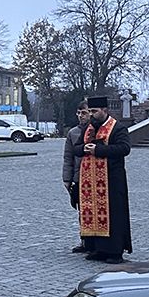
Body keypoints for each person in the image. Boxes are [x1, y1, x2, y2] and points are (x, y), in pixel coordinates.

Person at [74, 96, 132, 264]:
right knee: (93, 213)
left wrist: (98, 150)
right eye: (90, 111)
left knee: (114, 214)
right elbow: (76, 148)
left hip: (112, 179)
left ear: (105, 111)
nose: (91, 114)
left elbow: (124, 148)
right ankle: (98, 249)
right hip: (89, 181)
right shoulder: (88, 128)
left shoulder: (117, 128)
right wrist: (85, 148)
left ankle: (114, 251)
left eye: (94, 111)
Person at [63, 101, 90, 253]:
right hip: (78, 177)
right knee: (83, 211)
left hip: (94, 177)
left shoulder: (97, 131)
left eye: (84, 113)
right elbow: (68, 157)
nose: (81, 116)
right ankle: (84, 240)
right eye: (78, 113)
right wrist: (67, 179)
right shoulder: (73, 133)